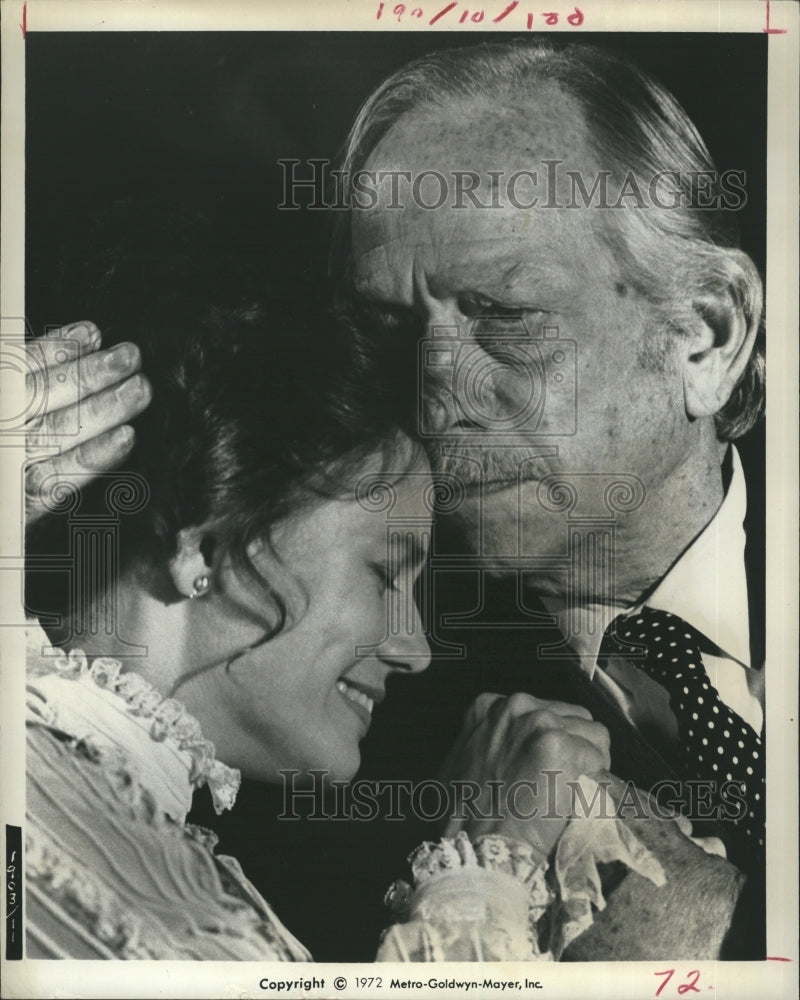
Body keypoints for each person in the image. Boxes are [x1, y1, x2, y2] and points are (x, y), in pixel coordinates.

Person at [26, 271, 668, 961]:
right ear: (203, 545)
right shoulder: (46, 815)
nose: (415, 649)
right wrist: (487, 865)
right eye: (384, 573)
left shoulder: (133, 831)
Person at [332, 37, 766, 957]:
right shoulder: (349, 725)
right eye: (391, 326)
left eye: (506, 315)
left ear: (708, 337)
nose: (433, 394)